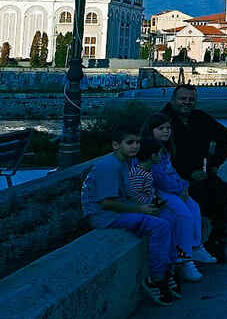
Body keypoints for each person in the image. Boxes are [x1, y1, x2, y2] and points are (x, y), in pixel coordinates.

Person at [80, 123, 178, 305]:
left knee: (169, 216)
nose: (135, 146)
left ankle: (168, 270)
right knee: (159, 226)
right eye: (130, 142)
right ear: (116, 145)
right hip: (103, 216)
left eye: (137, 143)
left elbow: (125, 195)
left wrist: (147, 205)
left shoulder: (123, 163)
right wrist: (141, 210)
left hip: (117, 210)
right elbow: (106, 203)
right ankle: (156, 279)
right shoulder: (109, 166)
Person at [162, 84, 227, 262]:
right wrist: (188, 172)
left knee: (223, 191)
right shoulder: (163, 121)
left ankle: (217, 242)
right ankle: (189, 251)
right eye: (182, 99)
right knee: (198, 200)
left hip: (203, 175)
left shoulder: (200, 118)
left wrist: (215, 164)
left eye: (191, 99)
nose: (186, 102)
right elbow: (160, 155)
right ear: (173, 100)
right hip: (174, 179)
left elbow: (224, 138)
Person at [143, 112, 216, 266]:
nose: (166, 131)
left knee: (194, 208)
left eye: (168, 128)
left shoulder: (166, 149)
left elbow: (172, 172)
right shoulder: (150, 151)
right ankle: (184, 257)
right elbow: (159, 179)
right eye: (160, 128)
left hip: (173, 189)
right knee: (183, 215)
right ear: (151, 131)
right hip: (159, 191)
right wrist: (179, 189)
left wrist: (184, 186)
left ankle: (196, 247)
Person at [130, 138, 203, 283]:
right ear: (153, 155)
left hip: (157, 202)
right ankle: (167, 269)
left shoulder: (148, 170)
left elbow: (170, 176)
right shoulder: (140, 173)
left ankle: (177, 262)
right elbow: (136, 195)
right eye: (159, 154)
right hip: (149, 206)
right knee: (172, 220)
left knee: (179, 216)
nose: (162, 157)